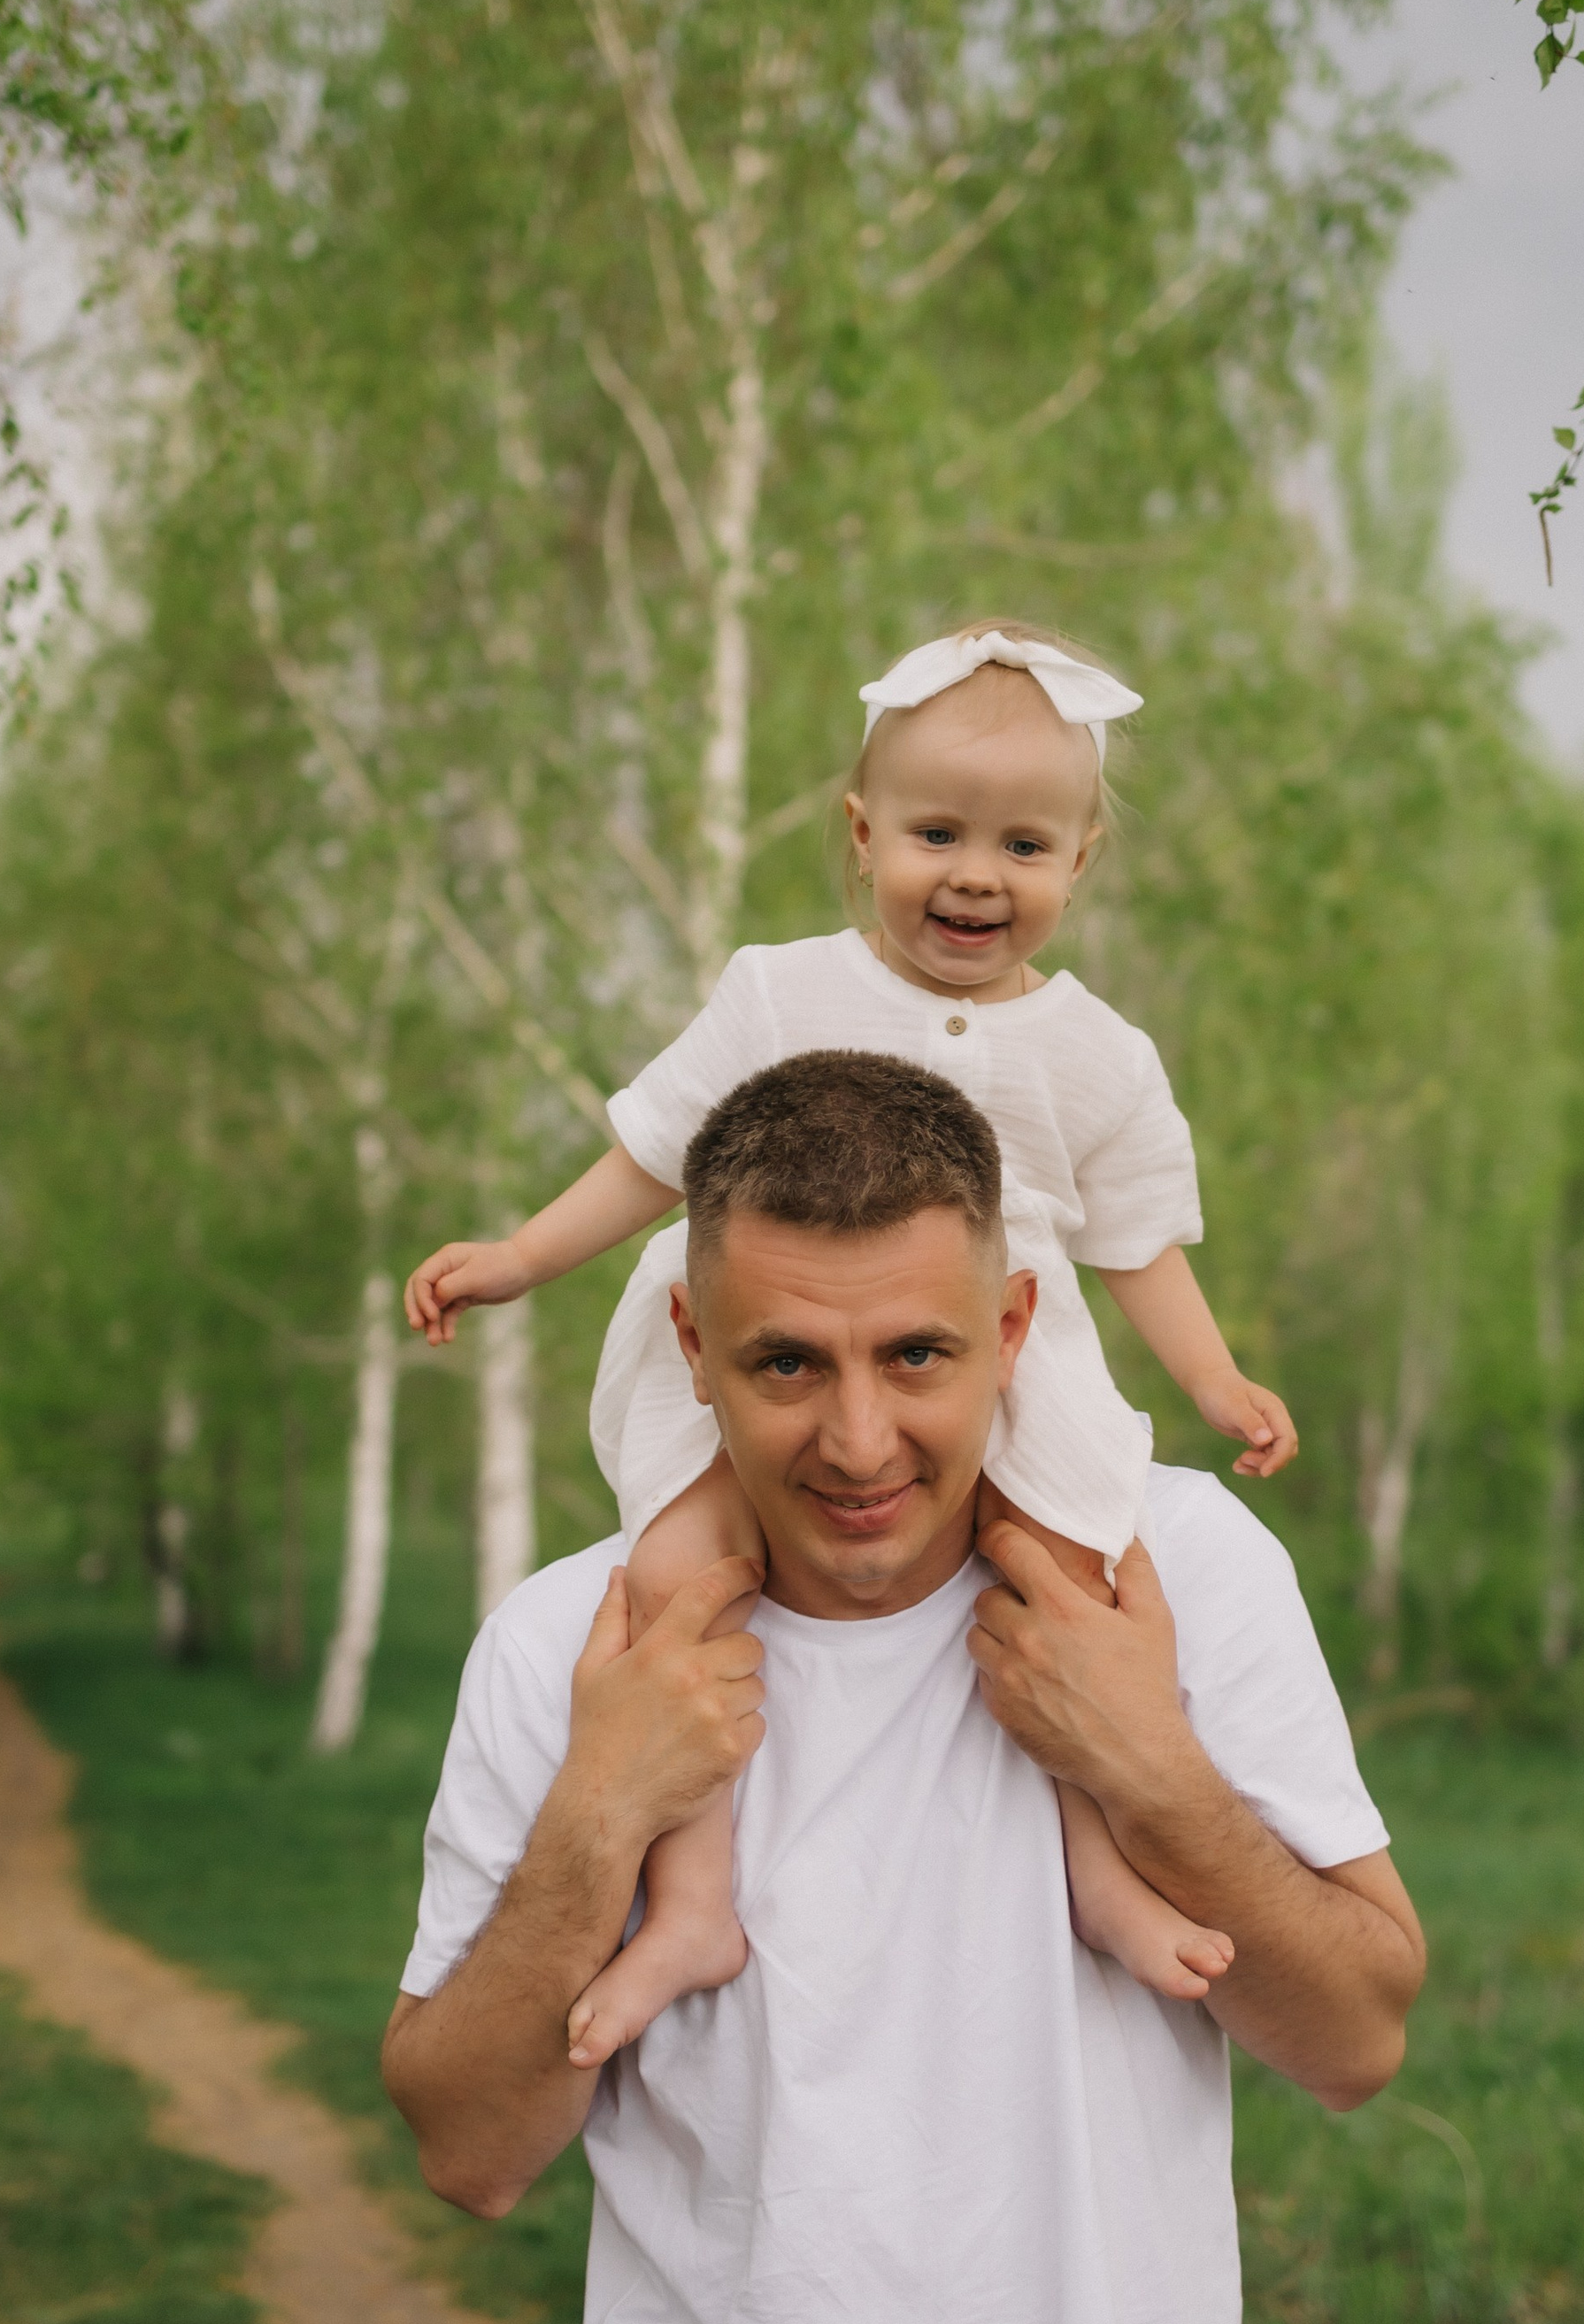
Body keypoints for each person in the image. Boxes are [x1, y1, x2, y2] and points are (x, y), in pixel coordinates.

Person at [382, 1050, 1424, 2324]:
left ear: (1014, 1324)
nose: (856, 1442)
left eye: (915, 1358)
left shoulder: (1171, 1577)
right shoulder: (569, 1648)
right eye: (787, 1362)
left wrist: (1147, 1772)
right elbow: (466, 2148)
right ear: (690, 1351)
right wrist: (598, 1817)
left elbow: (1351, 2036)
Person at [404, 625, 1298, 2066]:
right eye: (936, 833)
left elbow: (1139, 1243)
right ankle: (691, 1900)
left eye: (1023, 845)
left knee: (1074, 1590)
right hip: (789, 1346)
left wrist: (1213, 1381)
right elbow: (649, 1150)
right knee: (674, 1583)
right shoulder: (779, 993)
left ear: (1081, 865)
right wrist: (518, 1256)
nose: (974, 876)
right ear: (861, 831)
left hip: (1009, 1363)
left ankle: (1099, 1871)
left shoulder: (1100, 1057)